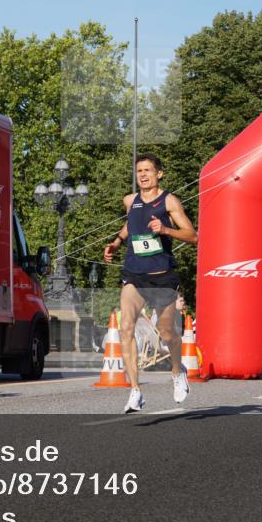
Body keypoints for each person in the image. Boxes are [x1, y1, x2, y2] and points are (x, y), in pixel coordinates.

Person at [104, 153, 198, 413]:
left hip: (162, 276)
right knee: (126, 327)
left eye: (148, 170)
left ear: (159, 174)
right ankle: (135, 391)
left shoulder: (169, 201)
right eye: (139, 171)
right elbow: (130, 224)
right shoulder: (130, 201)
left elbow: (193, 236)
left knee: (167, 333)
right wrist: (117, 242)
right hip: (135, 274)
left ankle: (178, 372)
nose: (143, 175)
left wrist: (166, 230)